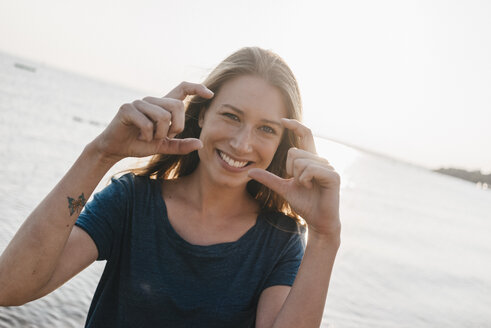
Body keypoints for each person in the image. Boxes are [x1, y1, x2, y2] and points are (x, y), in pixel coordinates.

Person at [0, 47, 341, 327]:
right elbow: (10, 287)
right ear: (203, 115)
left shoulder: (280, 239)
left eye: (266, 129)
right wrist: (100, 153)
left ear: (283, 144)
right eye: (232, 116)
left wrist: (325, 237)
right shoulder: (132, 200)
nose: (241, 143)